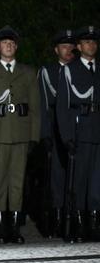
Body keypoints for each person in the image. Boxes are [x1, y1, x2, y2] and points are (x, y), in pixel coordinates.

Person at [0, 26, 40, 244]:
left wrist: (34, 137)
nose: (9, 46)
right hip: (0, 133)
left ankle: (14, 227)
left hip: (21, 133)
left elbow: (35, 107)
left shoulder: (28, 72)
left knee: (17, 183)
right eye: (5, 43)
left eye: (12, 43)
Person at [56, 25, 100, 242]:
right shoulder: (69, 70)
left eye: (94, 41)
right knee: (79, 181)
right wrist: (67, 136)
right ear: (79, 46)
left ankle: (94, 222)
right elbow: (62, 107)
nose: (91, 45)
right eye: (87, 42)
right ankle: (79, 224)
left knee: (97, 182)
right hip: (80, 131)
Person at [38, 29, 76, 237]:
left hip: (76, 129)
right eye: (64, 46)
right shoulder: (49, 71)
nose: (68, 50)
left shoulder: (79, 70)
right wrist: (45, 135)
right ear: (56, 50)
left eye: (71, 46)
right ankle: (58, 219)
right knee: (57, 178)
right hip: (55, 130)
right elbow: (43, 105)